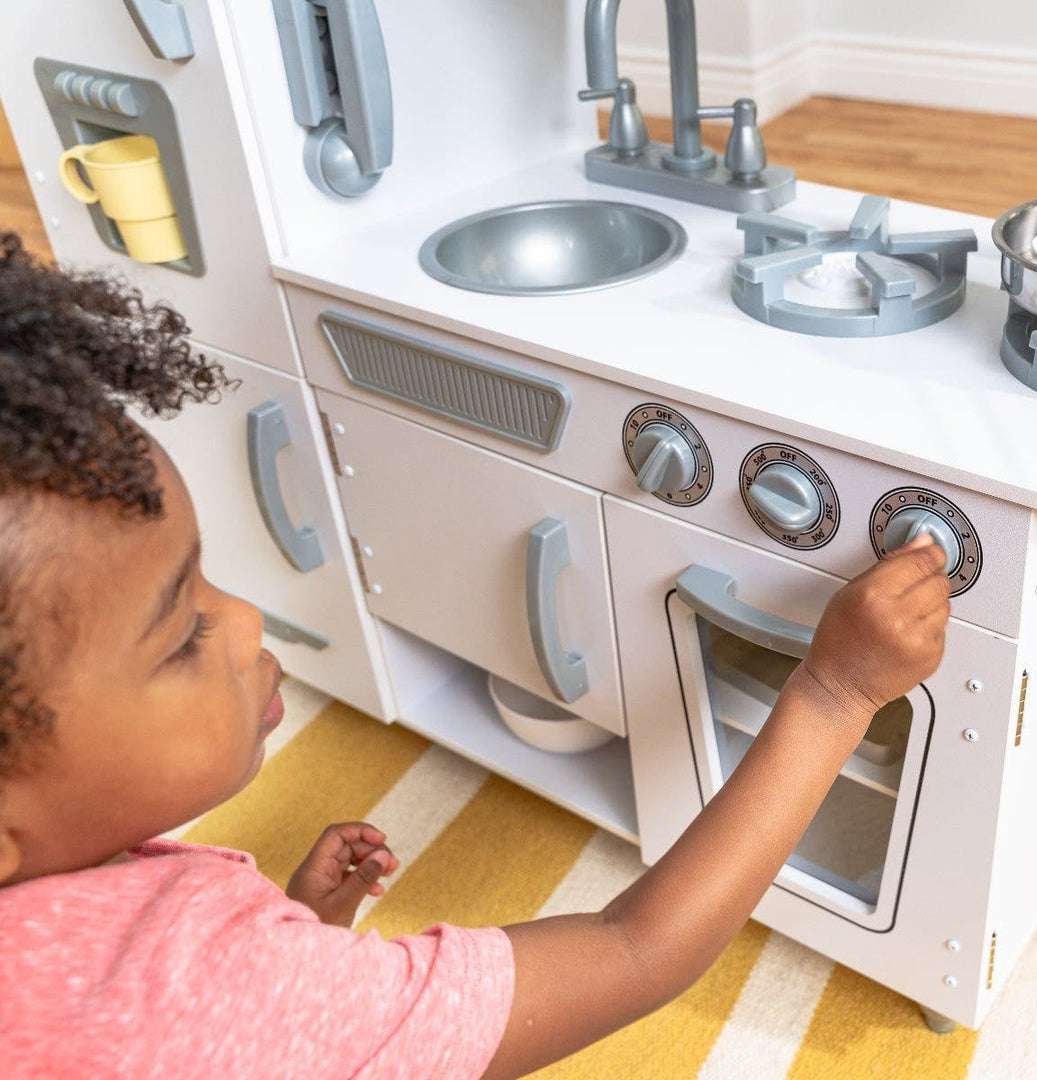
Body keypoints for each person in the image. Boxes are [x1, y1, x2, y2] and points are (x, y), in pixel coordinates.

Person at [0, 232, 950, 1079]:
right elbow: (635, 951)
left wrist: (299, 947)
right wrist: (834, 692)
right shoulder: (201, 1000)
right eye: (182, 636)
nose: (247, 620)